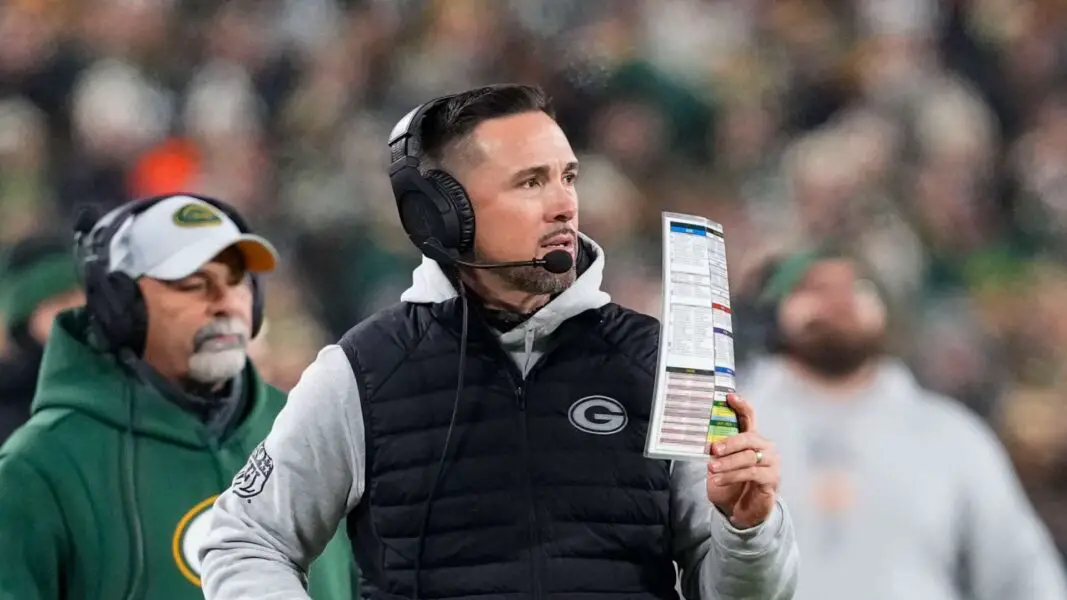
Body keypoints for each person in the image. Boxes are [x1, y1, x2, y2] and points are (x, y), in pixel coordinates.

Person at [200, 84, 799, 599]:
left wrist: (748, 531)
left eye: (569, 176)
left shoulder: (661, 361)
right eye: (531, 182)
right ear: (441, 215)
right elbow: (244, 540)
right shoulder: (361, 372)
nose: (565, 204)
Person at [0, 194, 353, 599]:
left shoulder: (312, 431)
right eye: (193, 284)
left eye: (237, 281)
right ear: (121, 305)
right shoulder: (39, 468)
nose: (226, 303)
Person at [736, 247, 1067, 600]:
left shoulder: (951, 434)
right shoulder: (735, 421)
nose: (839, 300)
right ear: (771, 314)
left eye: (857, 287)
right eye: (813, 288)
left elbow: (1021, 572)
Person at [0, 233, 85, 443]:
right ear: (27, 321)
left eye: (82, 297)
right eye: (60, 303)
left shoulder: (124, 377)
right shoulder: (11, 404)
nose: (77, 310)